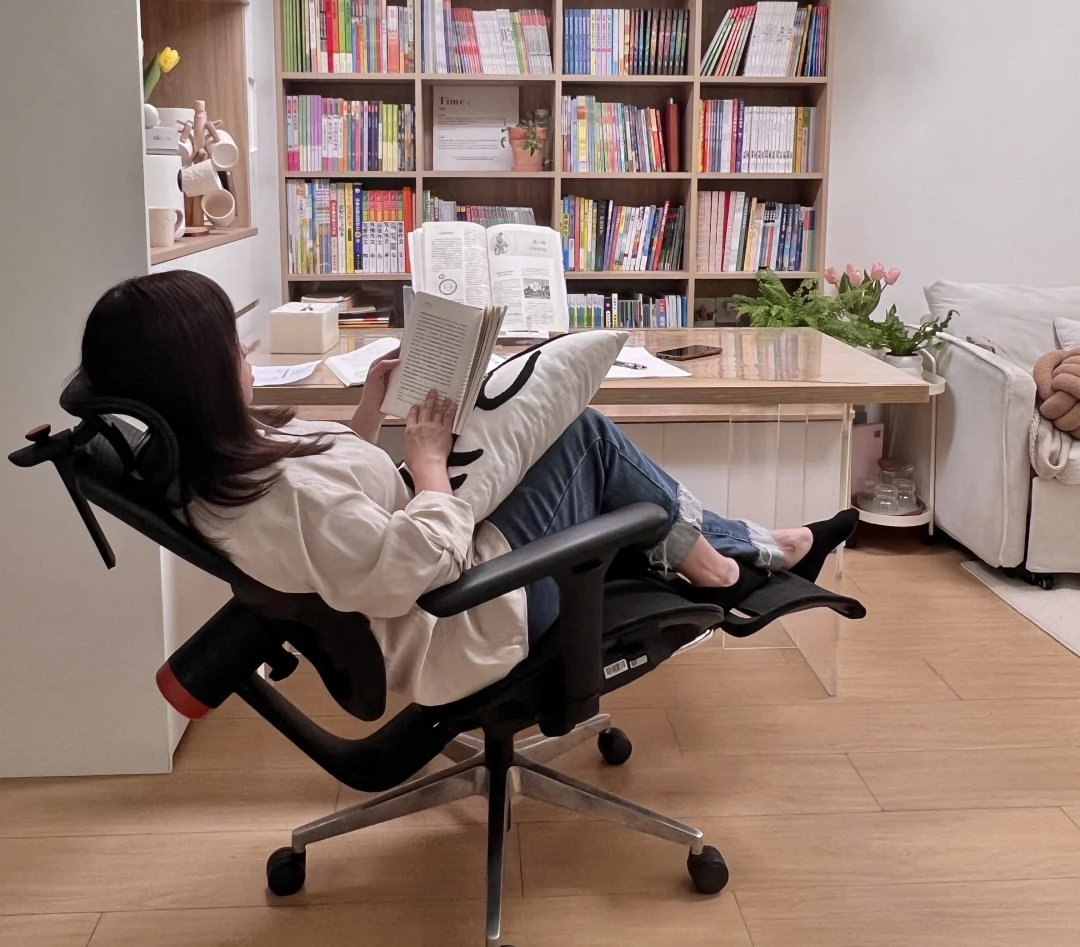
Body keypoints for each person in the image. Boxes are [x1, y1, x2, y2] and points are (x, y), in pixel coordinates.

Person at [78, 270, 856, 705]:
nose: (245, 354)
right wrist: (424, 465)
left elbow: (334, 509)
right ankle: (728, 562)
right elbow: (407, 571)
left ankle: (729, 551)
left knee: (567, 444)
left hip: (442, 565)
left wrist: (370, 411)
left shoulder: (213, 466)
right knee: (585, 438)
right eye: (234, 346)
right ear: (201, 377)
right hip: (466, 614)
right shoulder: (282, 497)